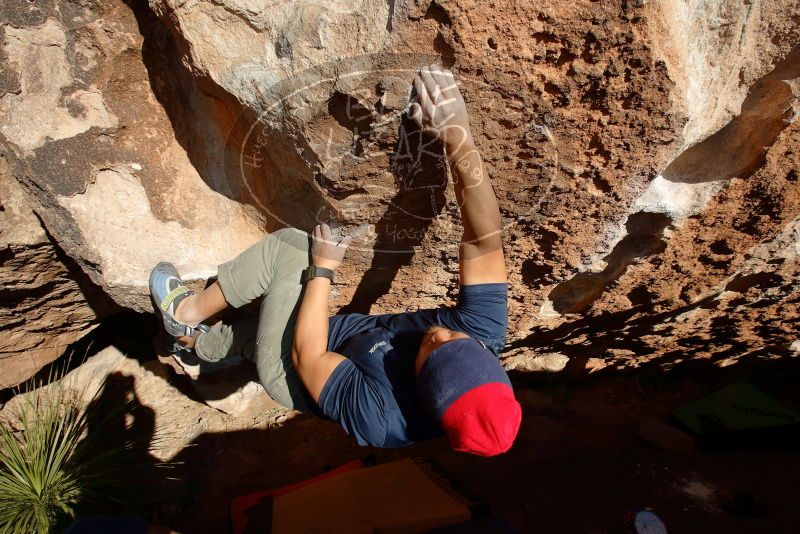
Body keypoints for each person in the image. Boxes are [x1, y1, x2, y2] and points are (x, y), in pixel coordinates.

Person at [150, 65, 521, 456]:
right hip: (342, 336)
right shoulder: (483, 333)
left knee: (293, 250)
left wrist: (323, 269)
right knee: (251, 332)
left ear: (423, 387)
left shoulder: (383, 419)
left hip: (294, 371)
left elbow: (306, 354)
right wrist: (458, 138)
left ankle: (184, 312)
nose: (441, 333)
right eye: (458, 340)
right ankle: (195, 347)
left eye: (434, 350)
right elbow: (483, 241)